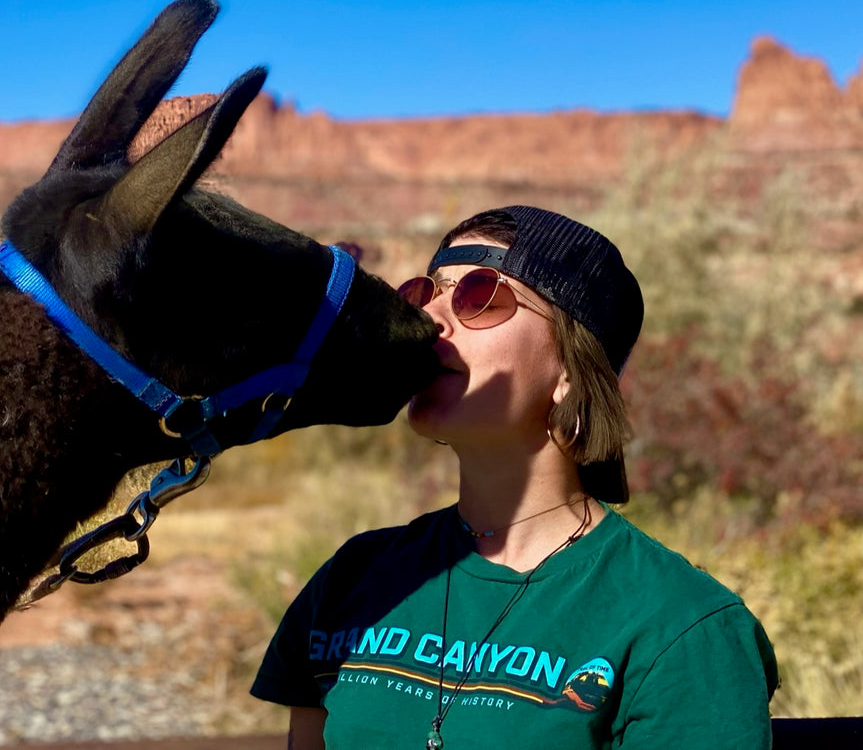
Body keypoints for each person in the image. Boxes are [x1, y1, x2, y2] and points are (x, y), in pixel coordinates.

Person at [251, 206, 778, 748]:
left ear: (570, 372)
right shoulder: (351, 580)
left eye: (479, 294)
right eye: (425, 292)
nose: (430, 318)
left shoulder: (682, 626)